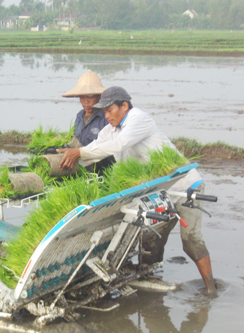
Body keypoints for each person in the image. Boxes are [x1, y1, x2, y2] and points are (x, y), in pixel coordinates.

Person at [57, 86, 217, 295]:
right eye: (103, 112)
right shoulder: (110, 129)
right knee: (150, 237)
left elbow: (119, 145)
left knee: (191, 240)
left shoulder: (138, 119)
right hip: (162, 192)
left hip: (185, 186)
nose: (106, 116)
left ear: (124, 105)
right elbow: (95, 152)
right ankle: (149, 280)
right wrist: (66, 160)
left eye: (109, 110)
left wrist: (79, 152)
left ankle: (211, 289)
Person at [62, 70, 115, 174]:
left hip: (104, 170)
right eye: (82, 96)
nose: (85, 101)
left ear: (99, 96)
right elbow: (76, 142)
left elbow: (111, 147)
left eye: (90, 96)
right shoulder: (79, 116)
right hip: (83, 169)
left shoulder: (107, 117)